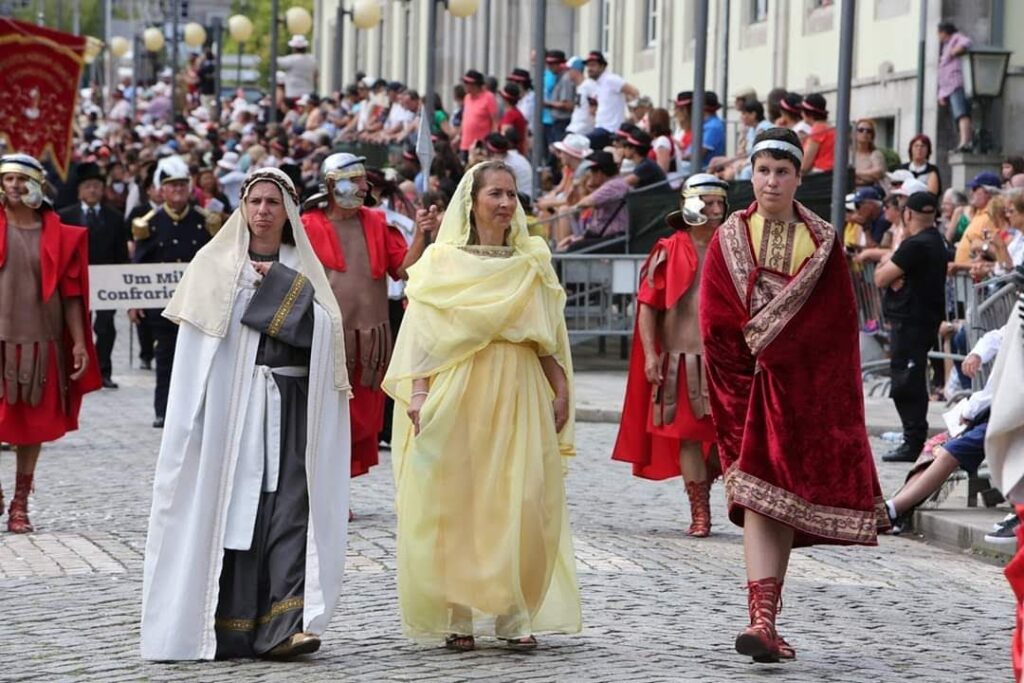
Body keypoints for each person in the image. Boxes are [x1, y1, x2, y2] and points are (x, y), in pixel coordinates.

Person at [140, 168, 351, 661]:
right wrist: (263, 290)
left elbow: (326, 328)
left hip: (292, 403)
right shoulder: (216, 266)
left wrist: (279, 286)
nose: (262, 212)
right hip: (232, 416)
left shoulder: (304, 264)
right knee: (239, 512)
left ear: (288, 211)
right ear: (242, 206)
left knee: (290, 509)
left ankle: (284, 628)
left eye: (272, 203)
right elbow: (200, 350)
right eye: (255, 201)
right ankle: (232, 628)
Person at [699, 128, 889, 663]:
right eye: (762, 170)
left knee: (777, 505)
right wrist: (743, 377)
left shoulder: (824, 240)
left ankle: (768, 621)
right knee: (760, 498)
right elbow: (715, 321)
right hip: (749, 389)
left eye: (782, 172)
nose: (771, 180)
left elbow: (835, 327)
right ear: (750, 174)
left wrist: (805, 377)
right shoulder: (729, 238)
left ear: (799, 178)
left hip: (806, 393)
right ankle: (759, 620)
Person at [383, 160, 581, 652]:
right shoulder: (442, 260)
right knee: (459, 499)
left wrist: (561, 389)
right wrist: (421, 392)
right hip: (459, 387)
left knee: (522, 498)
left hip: (519, 387)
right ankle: (459, 614)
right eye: (495, 193)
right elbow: (422, 335)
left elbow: (547, 337)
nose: (505, 202)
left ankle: (514, 612)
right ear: (472, 201)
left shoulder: (533, 257)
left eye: (512, 193)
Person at [612, 174, 728, 536]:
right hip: (682, 361)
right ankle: (700, 512)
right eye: (706, 203)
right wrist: (650, 355)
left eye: (718, 203)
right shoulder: (669, 248)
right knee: (690, 438)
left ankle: (709, 492)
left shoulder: (734, 248)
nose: (714, 210)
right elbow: (648, 306)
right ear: (690, 205)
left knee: (725, 442)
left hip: (725, 363)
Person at [301, 154, 426, 483]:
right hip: (326, 340)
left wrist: (426, 235)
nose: (363, 186)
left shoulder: (378, 222)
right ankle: (323, 487)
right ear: (332, 184)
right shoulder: (306, 225)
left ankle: (338, 488)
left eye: (363, 180)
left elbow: (404, 270)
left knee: (360, 419)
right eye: (354, 180)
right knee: (325, 417)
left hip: (370, 344)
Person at [0, 153, 100, 533]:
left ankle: (20, 503)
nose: (13, 185)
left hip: (41, 341)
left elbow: (71, 293)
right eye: (7, 179)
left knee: (33, 426)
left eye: (20, 179)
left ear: (37, 186)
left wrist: (78, 342)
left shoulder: (57, 233)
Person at [129, 155, 222, 428]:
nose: (178, 190)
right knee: (165, 358)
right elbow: (139, 267)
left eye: (182, 185)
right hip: (164, 306)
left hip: (199, 303)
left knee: (199, 359)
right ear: (162, 190)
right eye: (172, 186)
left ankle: (196, 410)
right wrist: (134, 302)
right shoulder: (150, 223)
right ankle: (164, 411)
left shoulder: (205, 221)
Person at [874, 192, 951, 462]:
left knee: (907, 382)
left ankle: (913, 440)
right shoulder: (935, 241)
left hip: (911, 321)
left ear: (907, 214)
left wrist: (892, 265)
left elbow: (881, 277)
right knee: (910, 380)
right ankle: (913, 438)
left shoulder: (915, 245)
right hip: (920, 320)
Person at [58, 161, 128, 389]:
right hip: (77, 280)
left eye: (97, 186)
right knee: (79, 324)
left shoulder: (115, 217)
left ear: (103, 189)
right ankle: (76, 368)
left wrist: (124, 285)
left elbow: (121, 254)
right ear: (79, 190)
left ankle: (103, 370)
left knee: (106, 326)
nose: (92, 190)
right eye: (88, 186)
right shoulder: (65, 216)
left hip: (107, 280)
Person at [583, 51, 639, 150]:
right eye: (588, 66)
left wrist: (631, 114)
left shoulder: (611, 79)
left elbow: (634, 92)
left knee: (582, 145)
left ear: (602, 66)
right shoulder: (597, 84)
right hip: (600, 128)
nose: (589, 69)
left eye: (593, 65)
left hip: (609, 130)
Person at [937, 21, 974, 152]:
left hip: (956, 83)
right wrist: (941, 93)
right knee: (957, 116)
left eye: (939, 33)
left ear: (943, 32)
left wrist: (954, 51)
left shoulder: (956, 38)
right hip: (948, 86)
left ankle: (965, 141)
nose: (938, 37)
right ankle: (962, 140)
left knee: (961, 113)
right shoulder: (945, 46)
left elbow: (967, 42)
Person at [458, 70, 499, 158]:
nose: (464, 85)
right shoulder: (467, 98)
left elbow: (495, 122)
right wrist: (459, 136)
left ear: (475, 85)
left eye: (467, 83)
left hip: (480, 146)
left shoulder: (489, 97)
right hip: (465, 144)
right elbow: (465, 119)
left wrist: (492, 142)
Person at [799, 93, 834, 175]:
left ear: (808, 113)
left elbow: (804, 165)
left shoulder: (818, 129)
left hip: (820, 175)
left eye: (802, 110)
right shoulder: (829, 127)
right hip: (831, 173)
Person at [278, 35, 318, 104]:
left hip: (292, 94)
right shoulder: (312, 60)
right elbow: (316, 75)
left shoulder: (290, 59)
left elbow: (277, 61)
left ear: (294, 48)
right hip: (308, 93)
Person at [852, 118, 887, 188]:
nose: (865, 133)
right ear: (854, 133)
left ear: (872, 136)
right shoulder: (848, 154)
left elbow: (878, 173)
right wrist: (868, 175)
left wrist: (854, 173)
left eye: (869, 131)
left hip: (870, 192)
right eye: (861, 130)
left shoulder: (876, 154)